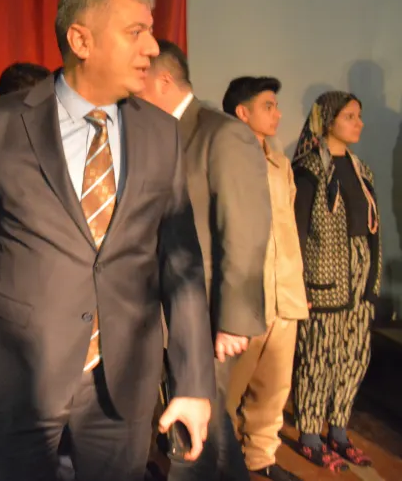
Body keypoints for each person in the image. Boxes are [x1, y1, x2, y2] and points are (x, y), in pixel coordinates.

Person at [0, 0, 214, 481]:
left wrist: (193, 384)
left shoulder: (162, 134)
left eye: (151, 31)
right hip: (19, 377)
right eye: (136, 32)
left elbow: (182, 265)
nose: (153, 48)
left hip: (123, 382)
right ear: (81, 40)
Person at [139, 40, 271, 481]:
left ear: (162, 80)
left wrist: (234, 320)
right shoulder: (154, 134)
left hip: (209, 314)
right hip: (160, 309)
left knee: (197, 432)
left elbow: (245, 231)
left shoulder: (221, 134)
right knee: (202, 428)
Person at [219, 76, 308, 481]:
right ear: (243, 112)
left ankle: (260, 457)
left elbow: (287, 227)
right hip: (244, 297)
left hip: (284, 291)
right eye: (268, 106)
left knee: (274, 389)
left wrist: (296, 285)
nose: (278, 114)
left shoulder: (280, 164)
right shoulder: (223, 158)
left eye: (276, 106)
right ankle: (220, 457)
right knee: (227, 390)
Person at [291, 91, 381, 471]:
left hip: (358, 280)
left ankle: (338, 432)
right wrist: (298, 287)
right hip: (323, 281)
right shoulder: (310, 169)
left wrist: (371, 282)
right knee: (318, 358)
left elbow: (372, 231)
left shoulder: (361, 170)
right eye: (350, 116)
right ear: (328, 121)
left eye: (359, 116)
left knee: (354, 358)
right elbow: (297, 232)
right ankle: (310, 436)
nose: (359, 123)